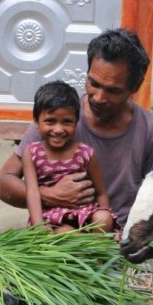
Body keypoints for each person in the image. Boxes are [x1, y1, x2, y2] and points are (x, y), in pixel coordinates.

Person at [0, 28, 153, 305]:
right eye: (93, 83)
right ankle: (100, 303)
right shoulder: (61, 117)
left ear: (134, 88)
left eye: (113, 90)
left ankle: (93, 301)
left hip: (119, 248)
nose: (98, 97)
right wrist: (51, 195)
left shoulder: (151, 132)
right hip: (61, 245)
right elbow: (2, 184)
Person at [23, 80, 114, 233]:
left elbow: (101, 192)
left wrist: (106, 217)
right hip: (52, 220)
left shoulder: (86, 153)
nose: (58, 129)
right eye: (50, 121)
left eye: (66, 122)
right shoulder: (32, 152)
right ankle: (82, 250)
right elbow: (32, 191)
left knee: (103, 218)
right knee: (66, 233)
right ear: (36, 122)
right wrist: (38, 225)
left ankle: (96, 254)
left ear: (76, 122)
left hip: (84, 216)